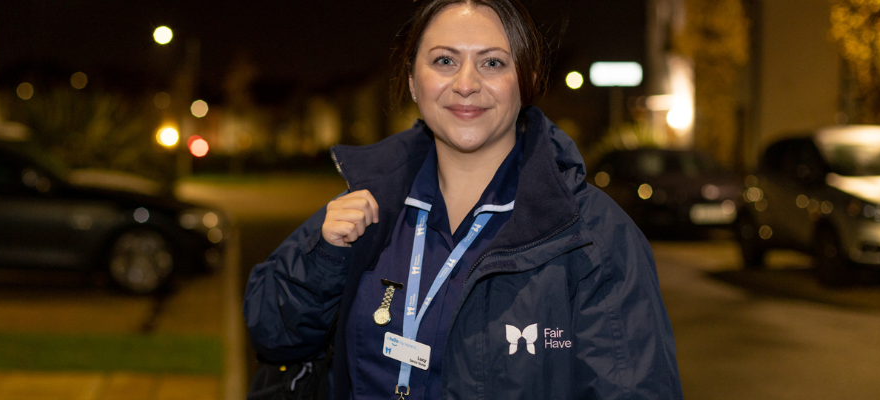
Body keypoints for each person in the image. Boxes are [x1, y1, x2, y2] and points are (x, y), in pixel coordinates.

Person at [244, 0, 684, 399]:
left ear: (526, 80)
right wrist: (324, 259)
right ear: (414, 81)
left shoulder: (593, 237)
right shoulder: (368, 204)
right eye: (444, 61)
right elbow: (271, 334)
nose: (467, 84)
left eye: (492, 62)